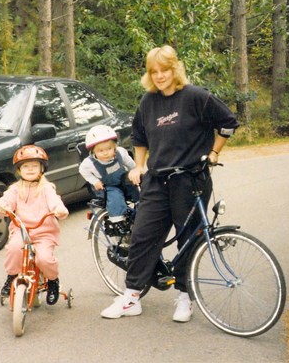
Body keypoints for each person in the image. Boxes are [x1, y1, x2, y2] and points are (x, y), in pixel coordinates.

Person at [100, 45, 239, 322]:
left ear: (175, 69)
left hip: (190, 180)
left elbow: (228, 124)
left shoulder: (196, 97)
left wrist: (214, 153)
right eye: (154, 71)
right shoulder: (148, 102)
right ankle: (132, 296)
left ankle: (185, 297)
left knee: (189, 240)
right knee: (142, 236)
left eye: (164, 70)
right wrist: (139, 166)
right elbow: (139, 138)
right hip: (157, 180)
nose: (160, 76)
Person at [0, 145, 69, 305]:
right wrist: (1, 206)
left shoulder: (47, 188)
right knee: (14, 249)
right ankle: (12, 277)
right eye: (25, 166)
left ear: (42, 168)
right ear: (19, 170)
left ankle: (52, 280)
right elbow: (6, 200)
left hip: (44, 233)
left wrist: (59, 210)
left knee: (45, 259)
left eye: (34, 166)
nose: (30, 169)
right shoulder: (14, 189)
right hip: (22, 231)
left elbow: (55, 201)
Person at [79, 125, 139, 236]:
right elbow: (82, 170)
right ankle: (118, 221)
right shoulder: (89, 163)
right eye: (101, 151)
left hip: (121, 180)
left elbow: (131, 165)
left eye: (109, 149)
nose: (106, 153)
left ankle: (143, 206)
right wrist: (94, 181)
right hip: (106, 186)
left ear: (115, 147)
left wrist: (136, 171)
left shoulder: (121, 152)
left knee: (136, 185)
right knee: (114, 195)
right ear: (93, 151)